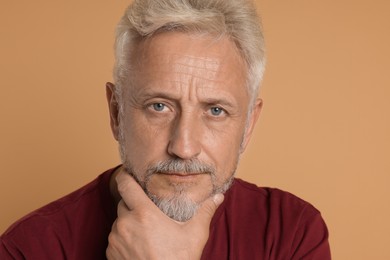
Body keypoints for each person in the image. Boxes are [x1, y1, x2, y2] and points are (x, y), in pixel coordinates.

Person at [1, 0, 331, 259]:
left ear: (248, 125)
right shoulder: (27, 249)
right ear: (116, 113)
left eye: (215, 110)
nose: (184, 147)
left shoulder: (291, 234)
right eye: (159, 106)